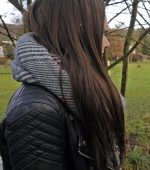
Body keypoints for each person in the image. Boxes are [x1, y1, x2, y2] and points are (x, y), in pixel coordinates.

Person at [0, 0, 125, 169]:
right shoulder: (36, 112)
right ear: (76, 33)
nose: (106, 43)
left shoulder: (80, 91)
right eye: (101, 33)